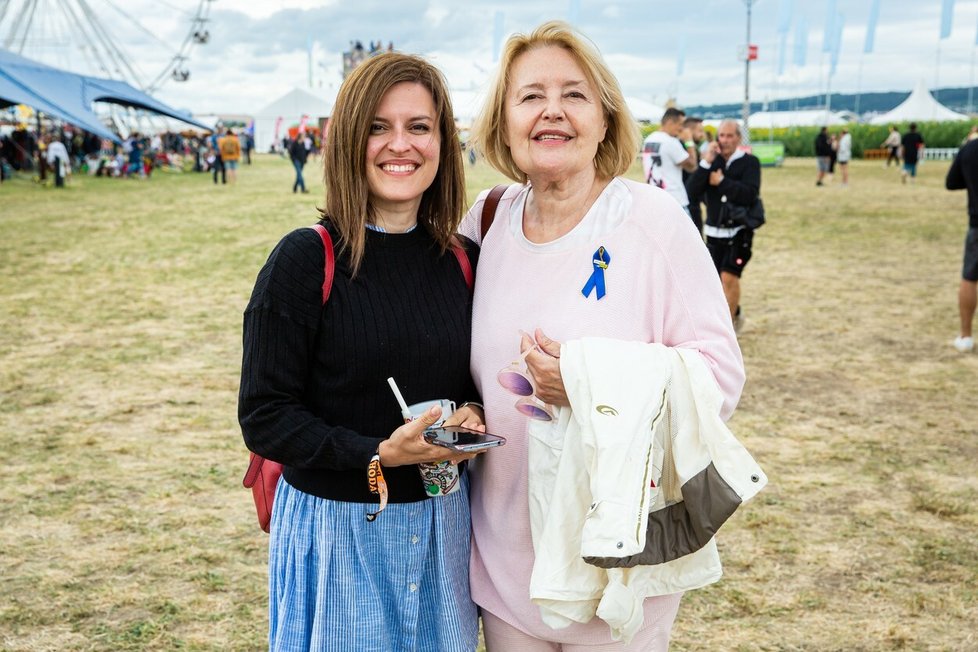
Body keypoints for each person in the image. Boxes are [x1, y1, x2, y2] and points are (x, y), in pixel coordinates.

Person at [461, 21, 746, 651]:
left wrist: (587, 381)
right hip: (505, 561)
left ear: (605, 118)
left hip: (616, 563)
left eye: (574, 94)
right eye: (530, 95)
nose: (552, 111)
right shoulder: (484, 220)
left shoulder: (653, 223)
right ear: (503, 120)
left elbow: (721, 375)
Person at [238, 52, 484, 651]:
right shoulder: (304, 260)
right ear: (349, 140)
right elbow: (265, 415)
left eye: (418, 127)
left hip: (442, 525)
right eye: (379, 126)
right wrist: (376, 453)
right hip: (337, 530)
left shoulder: (464, 260)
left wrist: (472, 414)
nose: (400, 145)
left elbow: (471, 375)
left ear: (441, 144)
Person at [687, 119, 762, 332]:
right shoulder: (713, 162)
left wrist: (722, 183)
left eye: (730, 136)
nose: (725, 140)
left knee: (729, 276)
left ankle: (727, 332)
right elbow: (692, 191)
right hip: (713, 232)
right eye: (722, 136)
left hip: (739, 231)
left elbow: (749, 194)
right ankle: (736, 314)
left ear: (739, 138)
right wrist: (705, 163)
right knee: (714, 283)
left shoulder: (750, 163)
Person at [945, 138, 978, 353]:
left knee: (970, 277)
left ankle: (965, 336)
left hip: (977, 225)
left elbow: (951, 182)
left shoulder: (970, 149)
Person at [644, 107, 698, 224]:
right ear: (669, 123)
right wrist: (689, 141)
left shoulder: (649, 140)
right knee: (685, 240)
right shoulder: (670, 142)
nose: (682, 128)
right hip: (675, 200)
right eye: (680, 124)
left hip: (654, 199)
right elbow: (692, 165)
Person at [682, 115, 707, 233]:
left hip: (693, 200)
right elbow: (693, 169)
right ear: (689, 131)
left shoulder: (693, 148)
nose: (702, 135)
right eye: (700, 131)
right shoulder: (683, 148)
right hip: (688, 201)